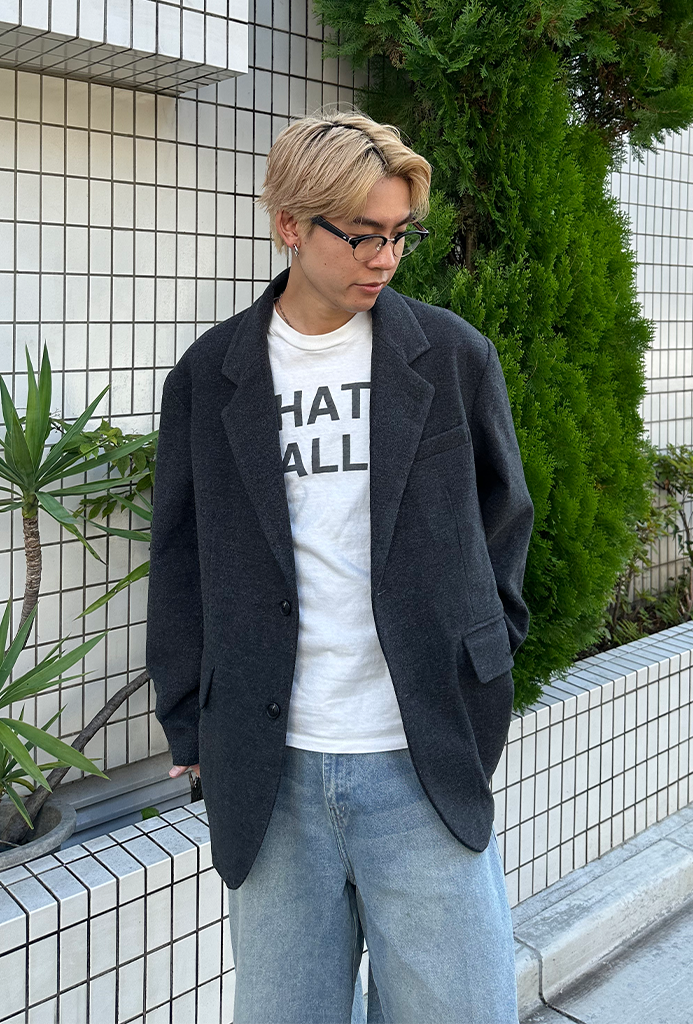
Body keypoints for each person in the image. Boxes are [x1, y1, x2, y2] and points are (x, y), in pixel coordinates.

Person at [146, 109, 534, 1024]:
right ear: (290, 224)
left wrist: (481, 670)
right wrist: (190, 719)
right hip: (271, 773)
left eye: (400, 235)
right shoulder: (211, 374)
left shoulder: (450, 356)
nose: (385, 257)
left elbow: (503, 521)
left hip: (421, 757)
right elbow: (181, 555)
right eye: (362, 235)